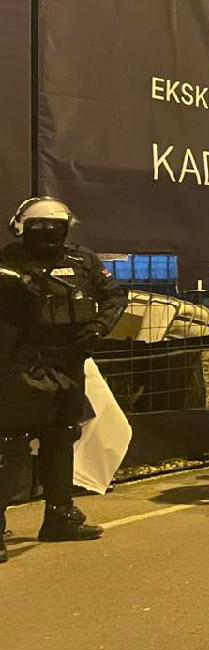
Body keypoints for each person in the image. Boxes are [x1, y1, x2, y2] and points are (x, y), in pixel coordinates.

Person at [0, 197, 127, 557]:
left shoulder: (82, 260)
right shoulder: (8, 262)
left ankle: (59, 516)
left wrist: (101, 327)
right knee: (12, 444)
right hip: (23, 366)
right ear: (23, 229)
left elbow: (115, 296)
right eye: (40, 227)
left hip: (70, 363)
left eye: (56, 227)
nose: (49, 234)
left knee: (62, 438)